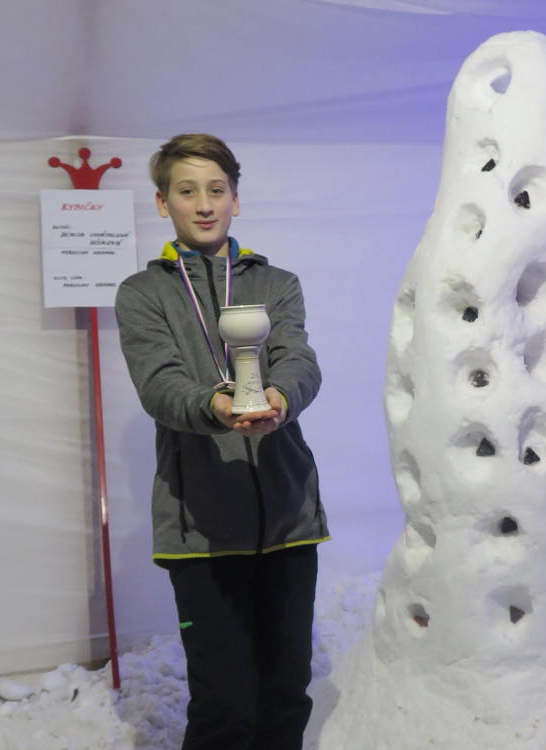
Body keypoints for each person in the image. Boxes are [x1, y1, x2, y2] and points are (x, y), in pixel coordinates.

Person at [115, 134, 329, 749]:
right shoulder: (143, 293)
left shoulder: (277, 282)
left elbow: (299, 360)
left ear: (237, 198)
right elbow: (159, 384)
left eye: (217, 190)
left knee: (286, 691)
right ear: (164, 203)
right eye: (187, 191)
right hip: (200, 529)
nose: (204, 204)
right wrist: (216, 406)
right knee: (224, 702)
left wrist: (280, 397)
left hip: (288, 517)